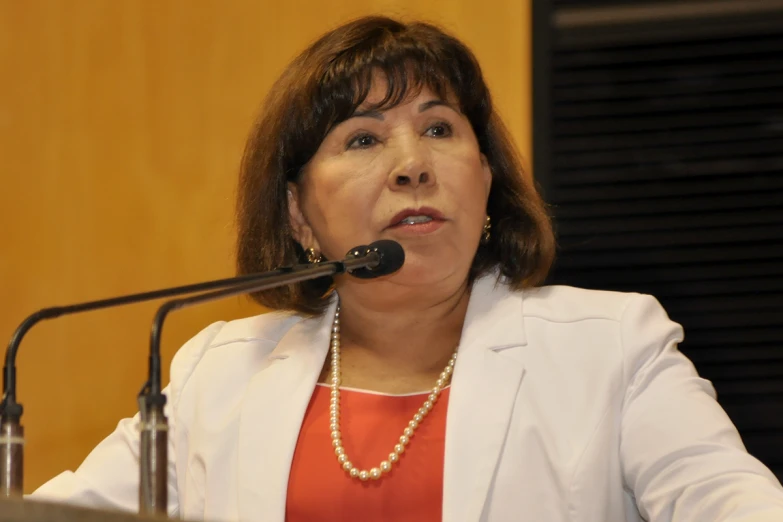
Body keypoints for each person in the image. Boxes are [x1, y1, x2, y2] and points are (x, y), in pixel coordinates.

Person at [32, 15, 783, 522]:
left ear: (485, 182)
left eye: (438, 128)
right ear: (298, 214)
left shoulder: (608, 345)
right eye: (361, 140)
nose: (412, 166)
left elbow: (732, 501)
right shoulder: (216, 374)